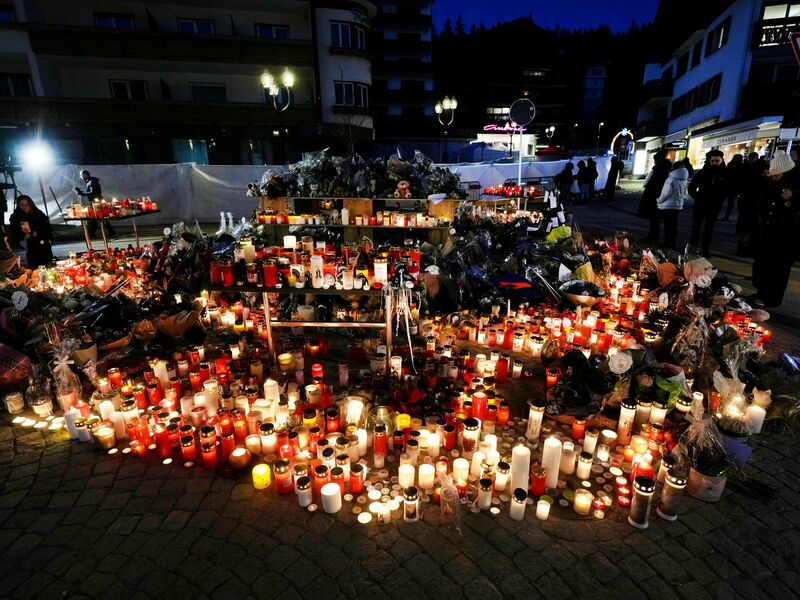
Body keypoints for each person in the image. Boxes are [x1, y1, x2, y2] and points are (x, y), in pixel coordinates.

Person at [751, 150, 800, 307]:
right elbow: (761, 202)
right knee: (762, 266)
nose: (773, 178)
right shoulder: (771, 184)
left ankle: (772, 299)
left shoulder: (795, 186)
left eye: (776, 175)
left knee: (779, 270)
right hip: (768, 232)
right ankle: (761, 292)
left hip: (787, 236)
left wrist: (793, 198)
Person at [688, 149, 730, 256]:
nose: (714, 163)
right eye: (712, 161)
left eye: (717, 161)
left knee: (709, 228)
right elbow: (692, 187)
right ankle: (693, 246)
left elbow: (729, 188)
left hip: (715, 205)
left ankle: (705, 249)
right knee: (696, 226)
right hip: (700, 204)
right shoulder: (703, 172)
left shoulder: (725, 173)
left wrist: (721, 197)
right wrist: (697, 197)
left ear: (722, 160)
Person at [8, 195, 53, 268]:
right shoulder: (15, 216)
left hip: (42, 239)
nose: (25, 207)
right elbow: (14, 232)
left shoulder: (38, 213)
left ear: (30, 204)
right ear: (18, 205)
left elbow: (47, 227)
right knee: (33, 253)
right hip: (28, 241)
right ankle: (35, 269)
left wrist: (39, 233)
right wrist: (24, 234)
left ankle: (48, 265)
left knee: (44, 247)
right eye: (22, 205)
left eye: (27, 204)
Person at [736, 153, 768, 256]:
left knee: (747, 226)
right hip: (750, 203)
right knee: (747, 226)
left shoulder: (752, 171)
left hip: (751, 203)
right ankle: (743, 247)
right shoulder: (756, 176)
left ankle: (743, 247)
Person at [638, 149, 672, 244]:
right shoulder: (664, 167)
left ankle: (656, 237)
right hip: (656, 196)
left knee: (655, 218)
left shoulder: (661, 168)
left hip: (656, 197)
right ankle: (654, 236)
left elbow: (657, 184)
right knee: (655, 218)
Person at [655, 162, 689, 249]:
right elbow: (685, 193)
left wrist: (659, 200)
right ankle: (673, 243)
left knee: (668, 225)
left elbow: (665, 193)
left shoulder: (671, 179)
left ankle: (667, 243)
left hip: (668, 205)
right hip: (677, 205)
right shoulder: (684, 179)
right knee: (674, 225)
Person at [75, 169, 115, 238]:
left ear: (85, 175)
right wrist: (82, 193)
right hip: (95, 202)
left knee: (98, 217)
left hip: (97, 202)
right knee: (95, 217)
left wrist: (83, 193)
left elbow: (93, 192)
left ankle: (95, 233)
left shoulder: (92, 182)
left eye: (81, 175)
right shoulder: (90, 182)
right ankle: (95, 233)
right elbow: (92, 192)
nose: (81, 177)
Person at [722, 154, 745, 221]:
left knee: (730, 201)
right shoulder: (741, 166)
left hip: (730, 185)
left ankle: (726, 216)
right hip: (734, 186)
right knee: (731, 202)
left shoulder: (731, 165)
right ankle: (727, 216)